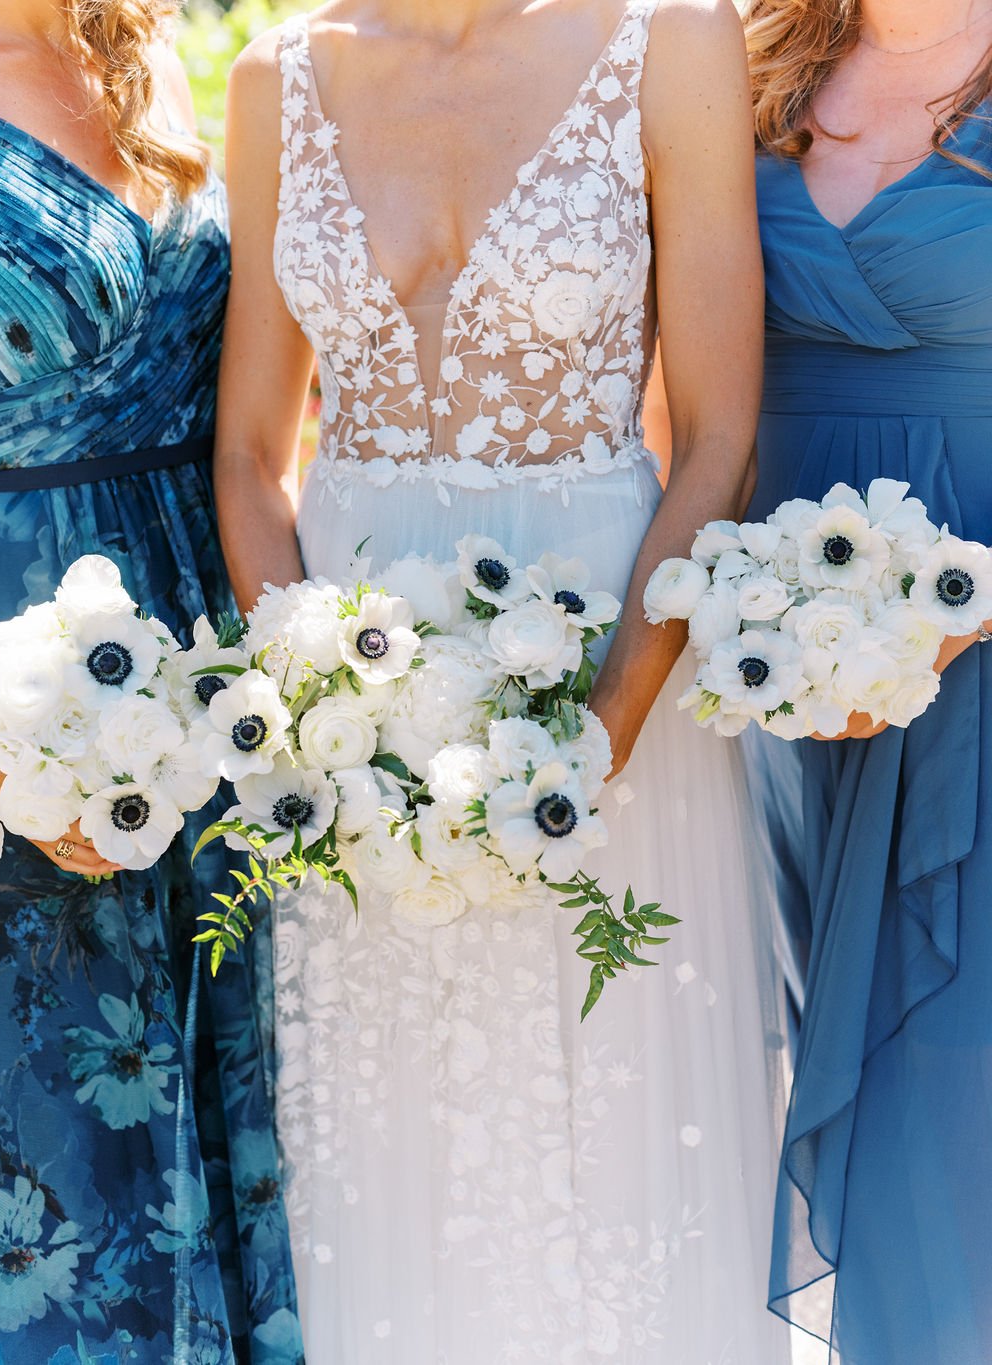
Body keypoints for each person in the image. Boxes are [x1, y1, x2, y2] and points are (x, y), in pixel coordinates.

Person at [218, 0, 791, 1359]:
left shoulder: (671, 38)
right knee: (389, 1139)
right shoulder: (276, 76)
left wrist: (591, 747)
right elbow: (249, 450)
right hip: (358, 725)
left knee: (611, 1137)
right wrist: (323, 715)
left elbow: (719, 437)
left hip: (613, 684)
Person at [0, 1, 302, 1359]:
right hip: (10, 713)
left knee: (200, 1122)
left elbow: (252, 418)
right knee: (43, 1179)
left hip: (193, 695)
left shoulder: (138, 54)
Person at [745, 0, 992, 1358]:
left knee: (952, 1077)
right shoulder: (745, 65)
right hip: (787, 669)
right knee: (818, 1039)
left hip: (985, 644)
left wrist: (973, 594)